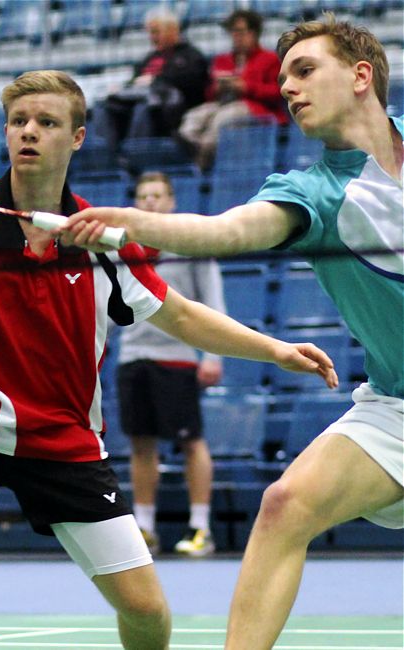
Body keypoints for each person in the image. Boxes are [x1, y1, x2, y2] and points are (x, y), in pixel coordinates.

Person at [0, 69, 338, 650]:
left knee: (146, 613)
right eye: (18, 122)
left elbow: (181, 315)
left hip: (65, 444)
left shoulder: (102, 240)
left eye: (46, 122)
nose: (29, 133)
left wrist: (275, 349)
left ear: (79, 137)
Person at [60, 14, 404, 650]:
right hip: (396, 408)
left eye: (305, 70)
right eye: (282, 78)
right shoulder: (313, 193)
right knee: (284, 506)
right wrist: (134, 222)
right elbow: (227, 232)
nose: (289, 88)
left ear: (361, 76)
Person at [118, 172, 225, 556]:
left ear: (171, 201)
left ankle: (201, 528)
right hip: (133, 357)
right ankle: (145, 528)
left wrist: (211, 355)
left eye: (158, 195)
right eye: (143, 195)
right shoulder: (122, 244)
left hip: (177, 360)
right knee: (141, 444)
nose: (150, 202)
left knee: (191, 443)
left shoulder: (190, 242)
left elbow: (212, 299)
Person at [178, 9, 288, 170]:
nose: (236, 36)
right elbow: (209, 95)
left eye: (240, 32)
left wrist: (245, 87)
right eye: (233, 32)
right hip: (222, 103)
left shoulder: (269, 59)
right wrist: (217, 88)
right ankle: (203, 152)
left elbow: (277, 92)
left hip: (255, 107)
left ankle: (201, 166)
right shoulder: (222, 60)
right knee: (193, 119)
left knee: (222, 119)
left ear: (254, 33)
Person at [92, 7, 208, 153]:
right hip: (139, 105)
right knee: (103, 106)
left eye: (156, 32)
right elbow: (136, 81)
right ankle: (106, 156)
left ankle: (136, 154)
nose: (152, 37)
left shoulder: (191, 56)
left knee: (144, 106)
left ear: (173, 30)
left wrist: (155, 80)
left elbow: (192, 85)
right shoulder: (149, 58)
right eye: (150, 33)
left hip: (171, 112)